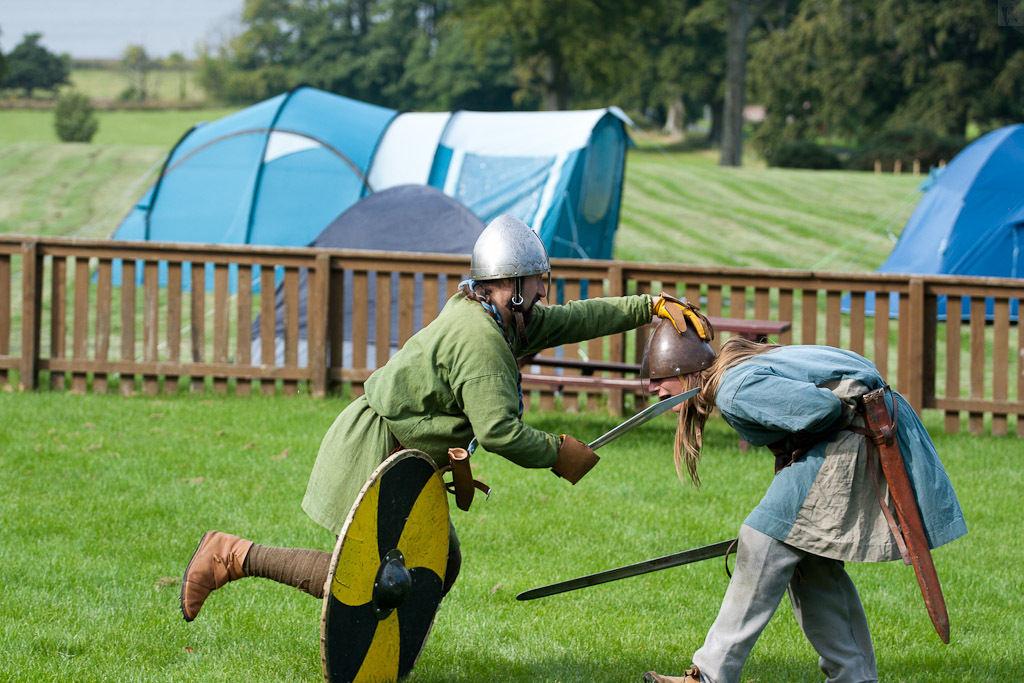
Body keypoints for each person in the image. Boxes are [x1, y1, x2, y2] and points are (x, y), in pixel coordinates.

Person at [179, 214, 689, 622]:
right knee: (363, 577)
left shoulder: (498, 317)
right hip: (375, 445)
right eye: (536, 282)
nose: (542, 293)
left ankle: (388, 650)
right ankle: (233, 555)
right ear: (510, 283)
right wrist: (558, 452)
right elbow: (499, 432)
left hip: (407, 453)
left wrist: (650, 306)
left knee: (441, 563)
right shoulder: (482, 340)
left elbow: (575, 319)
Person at [639, 317, 967, 683]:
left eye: (660, 378)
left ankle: (710, 676)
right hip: (860, 431)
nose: (655, 389)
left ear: (685, 371)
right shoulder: (734, 377)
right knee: (810, 561)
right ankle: (854, 677)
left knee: (762, 539)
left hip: (854, 436)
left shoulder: (734, 388)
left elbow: (822, 409)